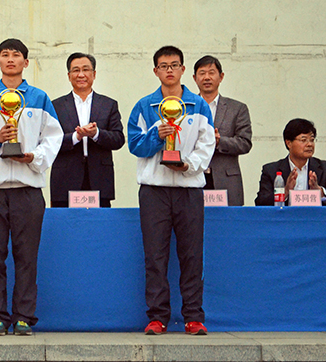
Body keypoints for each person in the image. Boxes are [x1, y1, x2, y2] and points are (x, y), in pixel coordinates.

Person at [0, 38, 62, 336]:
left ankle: (24, 317)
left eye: (16, 55)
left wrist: (34, 157)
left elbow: (53, 138)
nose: (10, 59)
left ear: (26, 63)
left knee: (26, 256)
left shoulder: (39, 98)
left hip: (28, 188)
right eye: (4, 55)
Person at [128, 46, 215, 336]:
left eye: (174, 65)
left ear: (182, 70)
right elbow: (134, 145)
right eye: (163, 66)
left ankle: (193, 317)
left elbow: (206, 146)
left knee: (192, 256)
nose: (169, 70)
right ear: (155, 71)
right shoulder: (145, 106)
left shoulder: (198, 105)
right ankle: (157, 317)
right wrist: (157, 135)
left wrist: (188, 165)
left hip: (189, 190)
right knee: (155, 256)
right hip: (154, 191)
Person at [50, 53, 125, 208]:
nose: (81, 75)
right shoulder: (56, 106)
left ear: (94, 74)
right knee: (66, 222)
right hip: (65, 180)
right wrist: (76, 137)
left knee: (97, 222)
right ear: (69, 75)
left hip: (99, 179)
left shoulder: (109, 104)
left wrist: (96, 134)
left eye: (86, 69)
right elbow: (49, 141)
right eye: (76, 70)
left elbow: (118, 139)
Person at [193, 55, 252, 206]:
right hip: (193, 178)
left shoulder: (237, 108)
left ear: (221, 77)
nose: (207, 77)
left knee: (227, 220)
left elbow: (245, 143)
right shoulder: (186, 108)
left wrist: (220, 141)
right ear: (195, 78)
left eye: (211, 73)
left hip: (225, 181)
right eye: (202, 73)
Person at [255, 118, 326, 206]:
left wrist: (320, 192)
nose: (309, 144)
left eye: (312, 140)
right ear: (289, 143)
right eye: (303, 140)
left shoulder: (324, 168)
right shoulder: (271, 170)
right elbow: (260, 203)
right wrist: (285, 191)